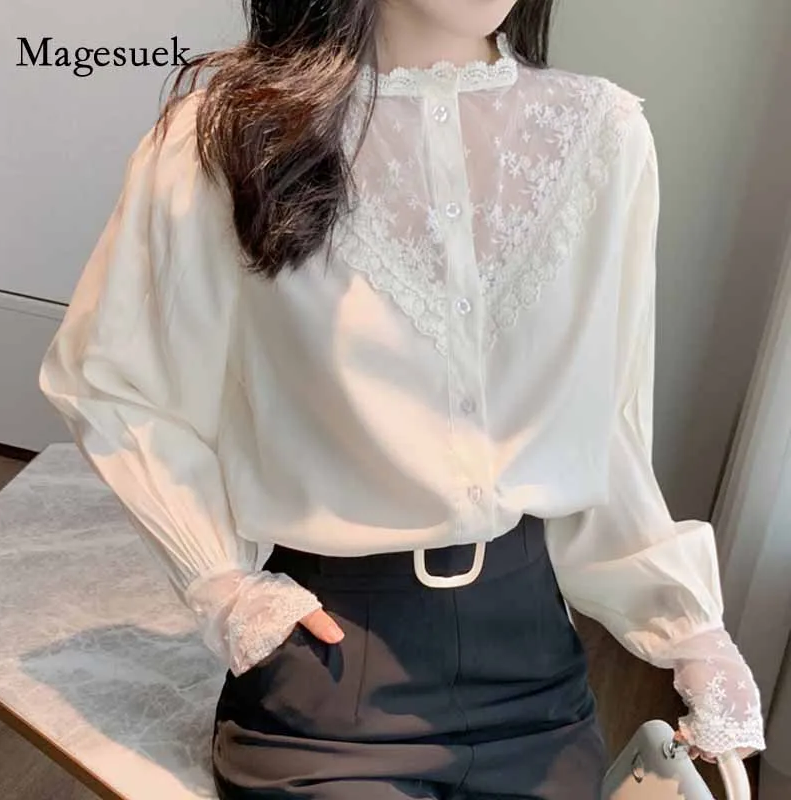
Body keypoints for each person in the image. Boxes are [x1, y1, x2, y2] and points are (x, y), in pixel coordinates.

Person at [39, 1, 766, 797]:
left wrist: (691, 633)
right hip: (332, 666)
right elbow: (111, 380)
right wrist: (222, 585)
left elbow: (606, 429)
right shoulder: (226, 134)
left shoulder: (604, 136)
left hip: (535, 670)